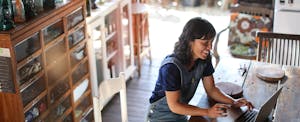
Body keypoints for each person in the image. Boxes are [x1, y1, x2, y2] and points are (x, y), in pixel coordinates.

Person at [146, 17, 253, 122]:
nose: (210, 47)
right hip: (160, 116)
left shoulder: (203, 60)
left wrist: (233, 102)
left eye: (211, 42)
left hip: (180, 115)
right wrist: (207, 112)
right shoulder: (171, 68)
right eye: (205, 43)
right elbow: (175, 106)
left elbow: (211, 89)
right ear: (189, 41)